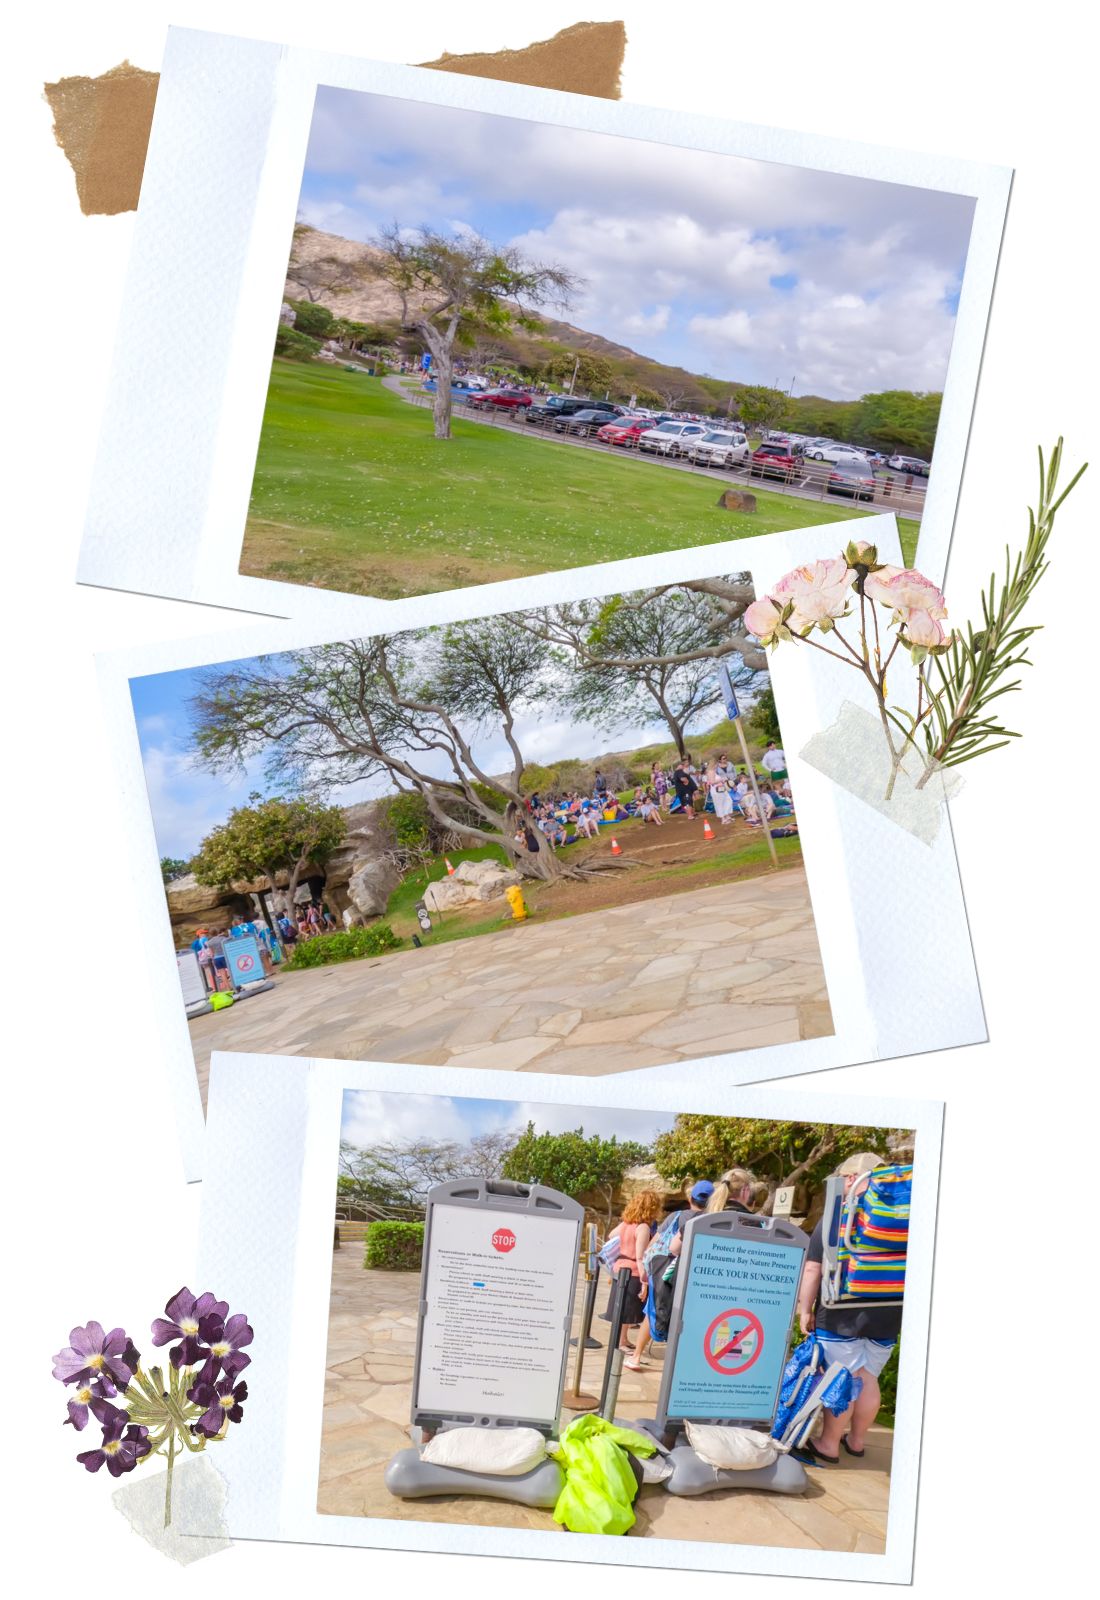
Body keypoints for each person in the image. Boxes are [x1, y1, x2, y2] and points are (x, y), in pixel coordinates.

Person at [794, 1153, 903, 1465]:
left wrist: (805, 1310)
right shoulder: (900, 1221)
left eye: (843, 1176)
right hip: (889, 1311)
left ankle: (828, 1444)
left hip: (841, 1312)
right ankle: (855, 1442)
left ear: (854, 1179)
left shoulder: (837, 1216)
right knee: (868, 1378)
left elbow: (813, 1270)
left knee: (843, 1379)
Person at [628, 1179, 714, 1369]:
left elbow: (656, 1242)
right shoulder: (712, 1222)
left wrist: (647, 1266)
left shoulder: (676, 1216)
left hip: (666, 1274)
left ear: (690, 1198)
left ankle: (635, 1356)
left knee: (652, 1312)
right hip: (694, 1275)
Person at [606, 1191, 664, 1354]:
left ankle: (622, 1339)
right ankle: (621, 1342)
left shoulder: (626, 1224)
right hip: (633, 1271)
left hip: (619, 1269)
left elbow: (611, 1235)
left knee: (621, 1307)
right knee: (628, 1309)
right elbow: (640, 1257)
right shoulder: (643, 1227)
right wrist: (645, 1282)